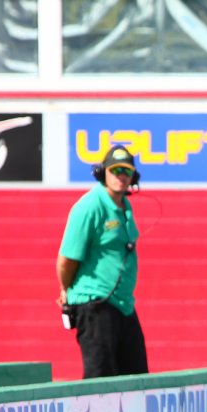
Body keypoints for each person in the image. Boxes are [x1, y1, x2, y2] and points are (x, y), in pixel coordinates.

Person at [56, 144, 147, 378]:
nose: (121, 176)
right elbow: (66, 260)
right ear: (102, 173)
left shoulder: (124, 206)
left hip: (123, 305)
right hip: (96, 304)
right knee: (101, 380)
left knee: (137, 379)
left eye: (126, 171)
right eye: (115, 170)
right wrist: (66, 290)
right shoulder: (90, 206)